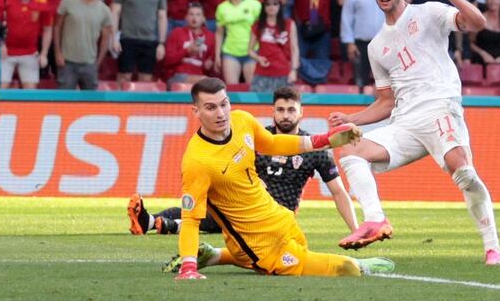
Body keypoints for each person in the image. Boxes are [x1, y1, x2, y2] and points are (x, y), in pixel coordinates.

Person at [331, 0, 500, 265]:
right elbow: (386, 102)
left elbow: (478, 23)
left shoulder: (429, 12)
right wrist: (352, 119)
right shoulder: (376, 47)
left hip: (439, 107)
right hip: (405, 122)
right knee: (349, 149)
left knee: (464, 172)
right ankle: (374, 220)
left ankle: (492, 247)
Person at [167, 77, 393, 280]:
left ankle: (215, 255)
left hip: (281, 219)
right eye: (210, 107)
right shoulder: (197, 161)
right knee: (343, 268)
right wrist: (188, 268)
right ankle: (361, 265)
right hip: (259, 247)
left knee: (304, 252)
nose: (221, 113)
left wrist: (323, 140)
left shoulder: (241, 120)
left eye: (224, 104)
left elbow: (273, 143)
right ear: (195, 112)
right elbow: (190, 221)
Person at [129, 86, 358, 237]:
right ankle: (149, 221)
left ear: (301, 113)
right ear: (272, 112)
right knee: (207, 209)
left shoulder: (315, 151)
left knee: (228, 220)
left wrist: (356, 230)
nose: (285, 115)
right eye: (280, 110)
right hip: (243, 202)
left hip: (277, 216)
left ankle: (163, 225)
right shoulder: (255, 136)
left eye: (291, 110)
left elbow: (338, 192)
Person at [110, 0, 167, 83]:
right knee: (124, 76)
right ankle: (118, 104)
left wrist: (161, 43)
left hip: (149, 40)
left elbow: (162, 17)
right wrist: (114, 38)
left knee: (146, 78)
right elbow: (115, 13)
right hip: (127, 38)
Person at [0, 0, 53, 89]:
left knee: (31, 94)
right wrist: (0, 45)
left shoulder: (42, 2)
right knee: (1, 90)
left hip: (30, 53)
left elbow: (47, 29)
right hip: (5, 52)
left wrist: (44, 53)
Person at [340, 0, 385, 91]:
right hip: (361, 44)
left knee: (386, 85)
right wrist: (349, 42)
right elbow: (347, 17)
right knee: (360, 83)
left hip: (385, 44)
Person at [248, 0, 299, 91]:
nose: (272, 7)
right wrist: (258, 58)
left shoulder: (289, 24)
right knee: (257, 104)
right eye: (268, 4)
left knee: (284, 104)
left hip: (283, 72)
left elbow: (295, 49)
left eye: (275, 3)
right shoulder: (257, 25)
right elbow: (250, 50)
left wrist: (294, 70)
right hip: (262, 73)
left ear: (280, 5)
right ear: (264, 7)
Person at [214, 0, 261, 84]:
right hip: (230, 52)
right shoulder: (222, 8)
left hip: (252, 51)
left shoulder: (255, 5)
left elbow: (261, 30)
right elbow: (219, 33)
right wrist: (217, 56)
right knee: (232, 89)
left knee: (253, 88)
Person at [163, 2, 215, 85]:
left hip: (199, 76)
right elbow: (167, 60)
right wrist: (186, 51)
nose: (194, 18)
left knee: (210, 84)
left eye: (198, 15)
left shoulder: (210, 37)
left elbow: (211, 65)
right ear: (186, 17)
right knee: (206, 82)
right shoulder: (176, 33)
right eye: (191, 14)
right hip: (178, 75)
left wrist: (209, 64)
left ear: (203, 18)